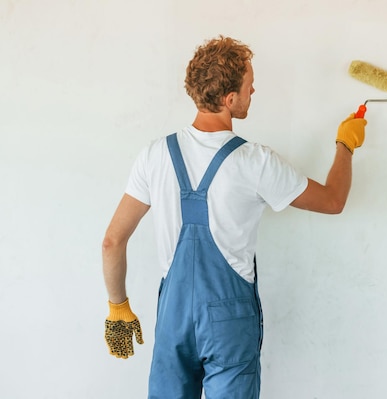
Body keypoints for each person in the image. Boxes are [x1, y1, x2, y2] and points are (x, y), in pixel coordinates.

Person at [102, 35, 366, 399]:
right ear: (229, 100)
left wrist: (119, 307)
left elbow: (112, 241)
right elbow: (333, 201)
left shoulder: (154, 155)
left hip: (173, 321)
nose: (253, 89)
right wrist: (345, 146)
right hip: (228, 323)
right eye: (248, 86)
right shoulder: (254, 161)